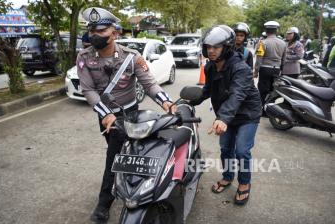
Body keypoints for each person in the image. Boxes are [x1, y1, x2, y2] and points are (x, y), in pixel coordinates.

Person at [77, 7, 176, 224]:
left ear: (115, 33)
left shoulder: (132, 58)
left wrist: (166, 101)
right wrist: (105, 115)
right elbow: (88, 90)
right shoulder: (84, 57)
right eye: (91, 30)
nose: (94, 35)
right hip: (106, 117)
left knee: (116, 158)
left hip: (130, 115)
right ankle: (125, 187)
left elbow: (150, 84)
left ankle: (104, 205)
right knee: (122, 154)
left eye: (100, 31)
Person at [190, 25, 261, 205]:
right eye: (208, 47)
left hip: (246, 114)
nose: (211, 51)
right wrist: (188, 101)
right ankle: (228, 177)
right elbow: (207, 90)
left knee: (242, 150)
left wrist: (222, 118)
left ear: (226, 47)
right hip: (226, 115)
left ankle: (244, 184)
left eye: (216, 47)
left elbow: (237, 95)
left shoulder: (241, 69)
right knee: (226, 149)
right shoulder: (210, 67)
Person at [254, 21, 286, 108]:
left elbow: (259, 59)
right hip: (276, 69)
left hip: (265, 69)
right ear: (276, 31)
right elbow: (284, 59)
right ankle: (270, 108)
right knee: (272, 90)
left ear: (266, 31)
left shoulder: (262, 43)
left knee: (263, 89)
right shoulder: (283, 43)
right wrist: (281, 70)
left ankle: (262, 109)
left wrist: (256, 71)